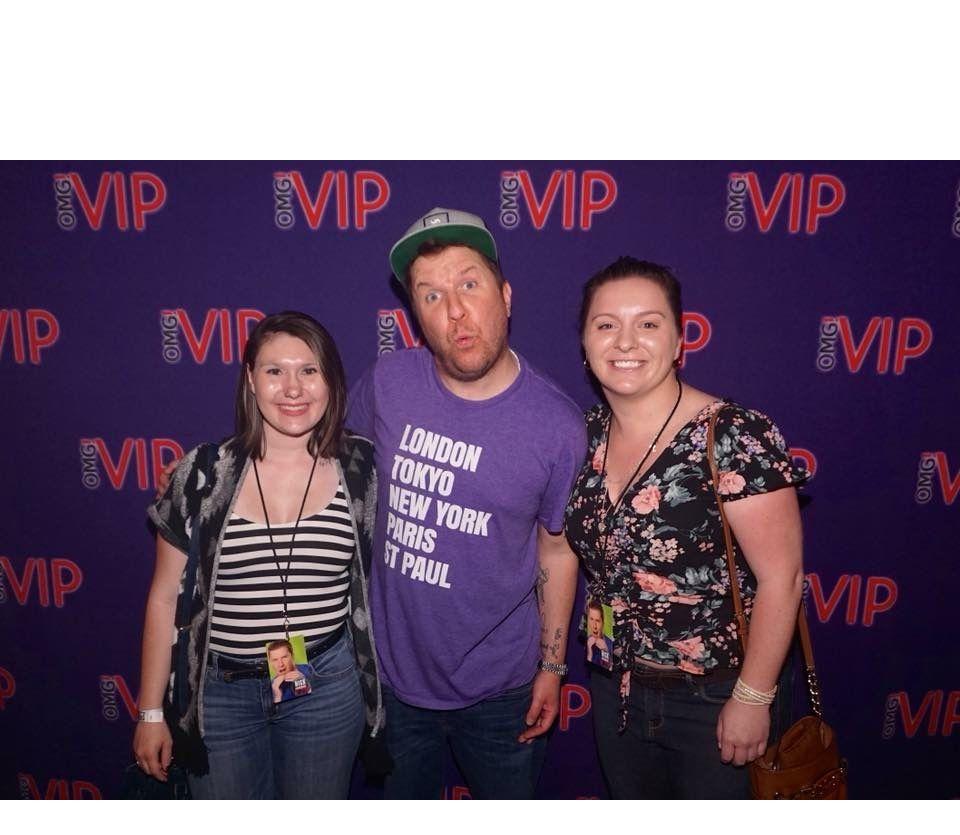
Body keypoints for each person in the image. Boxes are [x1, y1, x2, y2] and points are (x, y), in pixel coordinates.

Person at [347, 207, 586, 799]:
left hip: (502, 693)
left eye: (469, 285)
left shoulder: (557, 426)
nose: (455, 310)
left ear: (505, 296)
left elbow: (556, 553)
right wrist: (223, 468)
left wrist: (553, 669)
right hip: (393, 684)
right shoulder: (386, 384)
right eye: (431, 295)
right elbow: (323, 464)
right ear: (414, 317)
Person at [564, 257, 806, 799]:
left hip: (717, 698)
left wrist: (752, 696)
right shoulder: (580, 436)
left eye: (648, 324)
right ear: (584, 343)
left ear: (679, 341)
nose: (625, 342)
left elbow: (783, 579)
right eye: (606, 325)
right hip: (616, 690)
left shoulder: (734, 435)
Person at [133, 311, 382, 799]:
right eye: (274, 371)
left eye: (309, 371)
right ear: (250, 379)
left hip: (326, 689)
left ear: (331, 379)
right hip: (220, 697)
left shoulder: (365, 470)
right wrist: (150, 712)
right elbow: (164, 600)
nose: (293, 388)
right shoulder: (203, 474)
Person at [267, 639, 310, 704]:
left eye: (284, 657)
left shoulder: (307, 669)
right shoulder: (273, 685)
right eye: (275, 660)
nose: (280, 664)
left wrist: (302, 682)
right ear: (270, 662)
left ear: (292, 656)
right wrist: (277, 696)